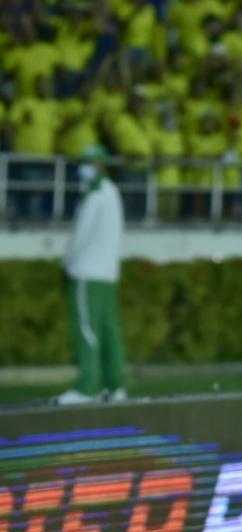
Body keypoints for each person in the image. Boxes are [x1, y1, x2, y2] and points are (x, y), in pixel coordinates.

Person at [56, 145, 128, 405]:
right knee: (110, 331)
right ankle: (115, 385)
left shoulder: (95, 194)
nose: (81, 167)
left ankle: (86, 387)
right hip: (107, 273)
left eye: (86, 162)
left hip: (87, 272)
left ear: (98, 164)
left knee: (86, 330)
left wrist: (67, 264)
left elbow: (80, 236)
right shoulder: (112, 192)